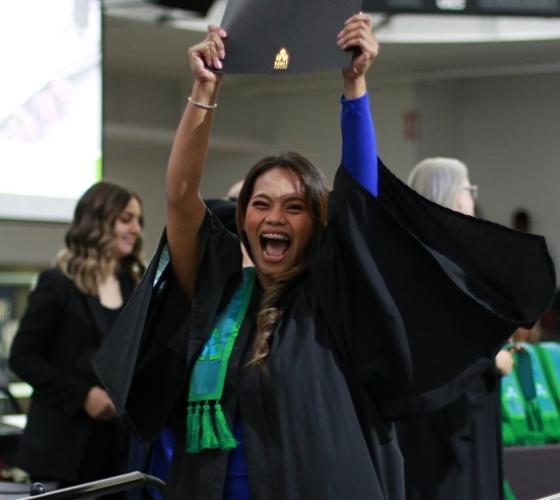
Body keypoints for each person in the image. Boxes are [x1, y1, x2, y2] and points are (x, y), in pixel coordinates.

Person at [95, 16, 554, 500]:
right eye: (261, 203)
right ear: (242, 218)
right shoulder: (216, 292)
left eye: (294, 207)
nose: (275, 217)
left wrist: (354, 87)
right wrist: (204, 90)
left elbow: (360, 195)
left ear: (317, 224)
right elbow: (181, 195)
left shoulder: (332, 297)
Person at [9, 182, 145, 493]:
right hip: (63, 453)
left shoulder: (134, 283)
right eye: (126, 219)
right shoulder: (57, 282)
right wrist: (84, 396)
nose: (136, 229)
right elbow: (22, 357)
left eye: (138, 220)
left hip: (118, 450)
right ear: (98, 221)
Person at [399, 157, 515, 500]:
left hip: (438, 412)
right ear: (448, 193)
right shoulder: (438, 261)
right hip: (447, 416)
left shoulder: (408, 255)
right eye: (467, 188)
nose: (471, 198)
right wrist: (493, 361)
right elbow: (440, 338)